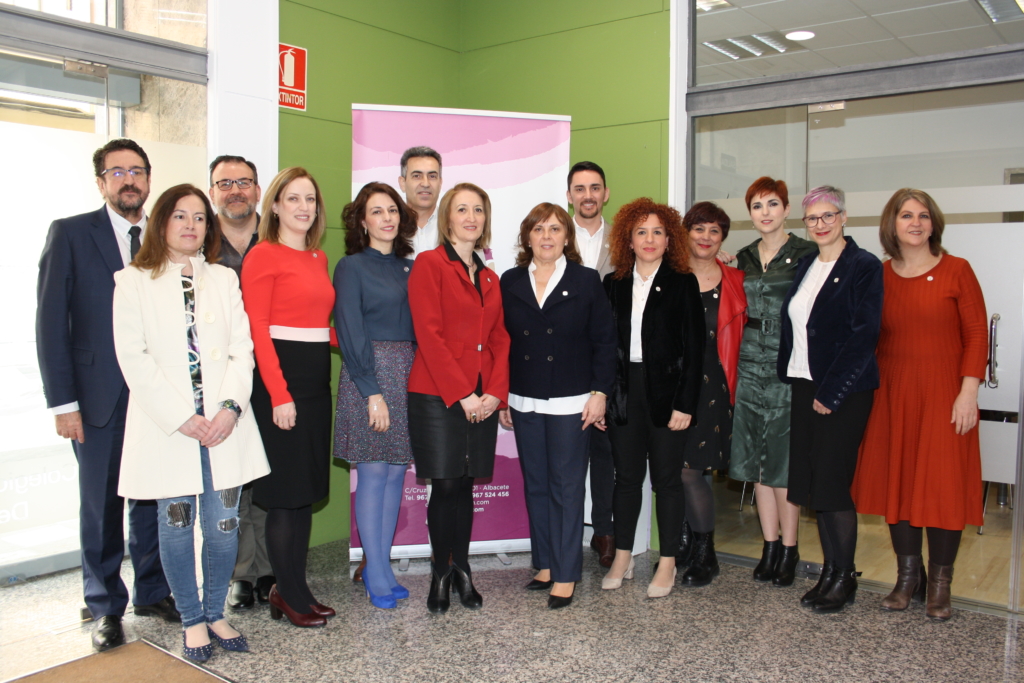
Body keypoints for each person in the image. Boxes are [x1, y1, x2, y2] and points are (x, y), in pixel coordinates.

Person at [112, 184, 270, 662]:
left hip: (223, 427)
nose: (190, 225)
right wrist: (182, 417)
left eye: (199, 217)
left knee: (223, 526)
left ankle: (215, 612)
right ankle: (191, 619)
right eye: (180, 216)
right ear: (162, 221)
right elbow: (133, 358)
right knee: (177, 527)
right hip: (171, 429)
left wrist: (230, 408)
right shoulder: (133, 281)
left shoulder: (223, 279)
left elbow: (243, 350)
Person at [35, 139, 179, 651]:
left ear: (149, 179)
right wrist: (63, 404)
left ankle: (152, 591)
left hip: (156, 395)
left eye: (136, 171)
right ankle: (104, 605)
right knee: (100, 503)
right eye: (117, 172)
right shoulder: (71, 233)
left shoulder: (166, 237)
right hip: (97, 397)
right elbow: (51, 322)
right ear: (101, 182)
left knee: (153, 497)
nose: (128, 180)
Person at [851, 189, 987, 621]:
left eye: (923, 216)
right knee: (900, 484)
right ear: (891, 225)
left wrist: (969, 392)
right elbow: (864, 334)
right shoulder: (879, 275)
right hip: (893, 393)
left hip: (947, 394)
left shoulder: (957, 270)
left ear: (934, 224)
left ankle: (941, 584)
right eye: (906, 215)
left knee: (943, 487)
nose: (916, 223)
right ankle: (909, 578)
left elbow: (976, 334)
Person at [498, 203, 616, 609]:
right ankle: (546, 563)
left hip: (572, 400)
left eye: (554, 229)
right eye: (538, 229)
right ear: (527, 237)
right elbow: (502, 343)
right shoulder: (511, 280)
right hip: (524, 397)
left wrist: (600, 393)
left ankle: (566, 573)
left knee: (566, 487)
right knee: (536, 484)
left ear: (567, 237)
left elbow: (605, 340)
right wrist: (503, 395)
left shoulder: (585, 280)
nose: (546, 236)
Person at [778, 185, 883, 614]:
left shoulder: (863, 265)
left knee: (833, 485)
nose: (820, 224)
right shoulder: (807, 263)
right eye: (812, 218)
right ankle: (829, 572)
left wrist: (831, 392)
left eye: (828, 215)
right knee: (815, 485)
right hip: (805, 384)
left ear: (843, 217)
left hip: (842, 390)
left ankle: (845, 577)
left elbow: (864, 335)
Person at [407, 182, 511, 614]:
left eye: (478, 210)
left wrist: (495, 394)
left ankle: (462, 568)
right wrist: (463, 393)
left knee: (466, 485)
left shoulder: (490, 276)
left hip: (482, 398)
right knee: (447, 485)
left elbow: (500, 338)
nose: (471, 217)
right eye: (462, 209)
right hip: (437, 395)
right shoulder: (430, 264)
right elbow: (428, 335)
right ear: (447, 217)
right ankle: (440, 572)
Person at [241, 167, 335, 627]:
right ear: (275, 206)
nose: (303, 207)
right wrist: (279, 395)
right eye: (293, 198)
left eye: (310, 199)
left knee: (304, 494)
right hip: (281, 383)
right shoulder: (262, 255)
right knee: (285, 496)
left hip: (316, 383)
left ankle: (296, 589)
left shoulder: (317, 257)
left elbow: (315, 324)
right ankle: (289, 595)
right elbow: (258, 329)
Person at [600, 197, 704, 599]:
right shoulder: (613, 284)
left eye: (657, 232)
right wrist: (603, 397)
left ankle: (667, 562)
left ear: (669, 239)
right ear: (628, 240)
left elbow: (696, 351)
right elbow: (602, 348)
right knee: (625, 479)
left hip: (668, 397)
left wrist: (686, 404)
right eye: (641, 232)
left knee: (667, 481)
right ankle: (623, 556)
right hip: (623, 393)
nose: (649, 239)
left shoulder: (683, 283)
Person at [728, 177, 817, 587]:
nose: (765, 212)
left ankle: (790, 549)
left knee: (782, 461)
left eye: (773, 204)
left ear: (786, 209)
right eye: (757, 206)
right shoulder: (742, 257)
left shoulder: (806, 254)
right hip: (748, 362)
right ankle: (768, 546)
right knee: (755, 461)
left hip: (787, 363)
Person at [333, 182, 418, 609]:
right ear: (362, 222)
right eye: (377, 211)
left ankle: (381, 567)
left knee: (396, 473)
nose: (387, 218)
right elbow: (349, 329)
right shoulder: (351, 267)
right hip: (368, 376)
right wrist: (372, 391)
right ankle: (376, 573)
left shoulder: (412, 267)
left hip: (408, 374)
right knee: (372, 473)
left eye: (392, 210)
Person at [208, 154, 276, 611]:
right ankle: (240, 571)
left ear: (257, 190)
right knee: (232, 475)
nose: (235, 190)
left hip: (270, 370)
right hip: (221, 375)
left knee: (267, 470)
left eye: (244, 182)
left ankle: (269, 569)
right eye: (225, 183)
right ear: (212, 191)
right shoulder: (198, 242)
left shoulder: (275, 238)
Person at [677, 201, 747, 587]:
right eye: (699, 228)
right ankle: (687, 543)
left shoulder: (735, 279)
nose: (706, 237)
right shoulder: (670, 274)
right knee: (675, 468)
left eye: (714, 231)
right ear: (686, 233)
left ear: (723, 238)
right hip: (674, 386)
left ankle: (707, 554)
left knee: (691, 470)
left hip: (714, 386)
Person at [566, 161, 616, 568]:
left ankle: (603, 530)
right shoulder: (552, 236)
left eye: (594, 187)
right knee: (566, 457)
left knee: (604, 453)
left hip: (608, 360)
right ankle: (564, 535)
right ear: (569, 195)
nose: (588, 195)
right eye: (580, 188)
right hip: (563, 364)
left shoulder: (625, 239)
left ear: (605, 194)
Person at [398, 146, 444, 258]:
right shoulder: (390, 226)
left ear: (440, 183)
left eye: (432, 176)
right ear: (402, 183)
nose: (425, 184)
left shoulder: (455, 226)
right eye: (417, 176)